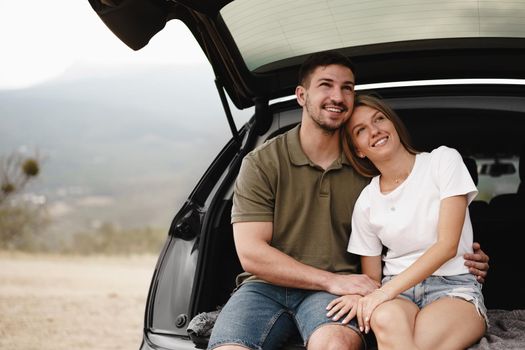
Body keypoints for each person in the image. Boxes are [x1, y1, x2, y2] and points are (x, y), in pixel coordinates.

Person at [207, 52, 489, 350]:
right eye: (326, 85)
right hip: (266, 288)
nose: (337, 96)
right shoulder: (263, 162)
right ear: (301, 95)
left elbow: (438, 237)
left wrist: (462, 254)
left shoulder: (367, 172)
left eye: (347, 88)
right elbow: (251, 253)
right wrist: (343, 284)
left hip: (346, 292)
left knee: (336, 345)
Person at [327, 94, 487, 350]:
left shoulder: (442, 161)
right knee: (384, 317)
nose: (375, 130)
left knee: (420, 342)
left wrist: (382, 294)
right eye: (361, 130)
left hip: (452, 287)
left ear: (393, 123)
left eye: (379, 119)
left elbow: (447, 245)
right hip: (396, 293)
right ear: (358, 149)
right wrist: (363, 295)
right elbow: (373, 278)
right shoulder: (367, 201)